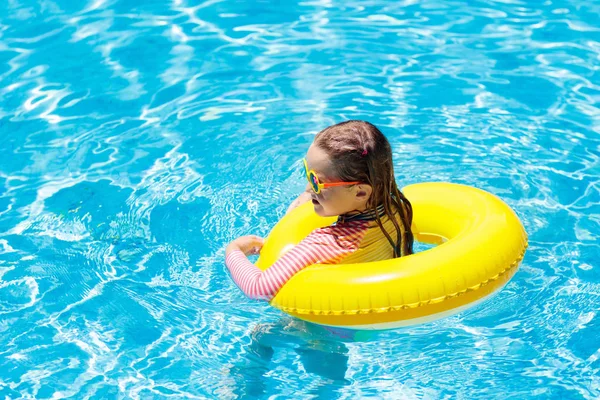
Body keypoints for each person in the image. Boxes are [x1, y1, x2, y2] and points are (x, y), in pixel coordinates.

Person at [225, 120, 414, 300]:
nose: (308, 187)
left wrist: (234, 251)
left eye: (316, 181)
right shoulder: (399, 209)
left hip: (329, 327)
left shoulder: (325, 244)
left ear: (360, 193)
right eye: (307, 172)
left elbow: (258, 289)